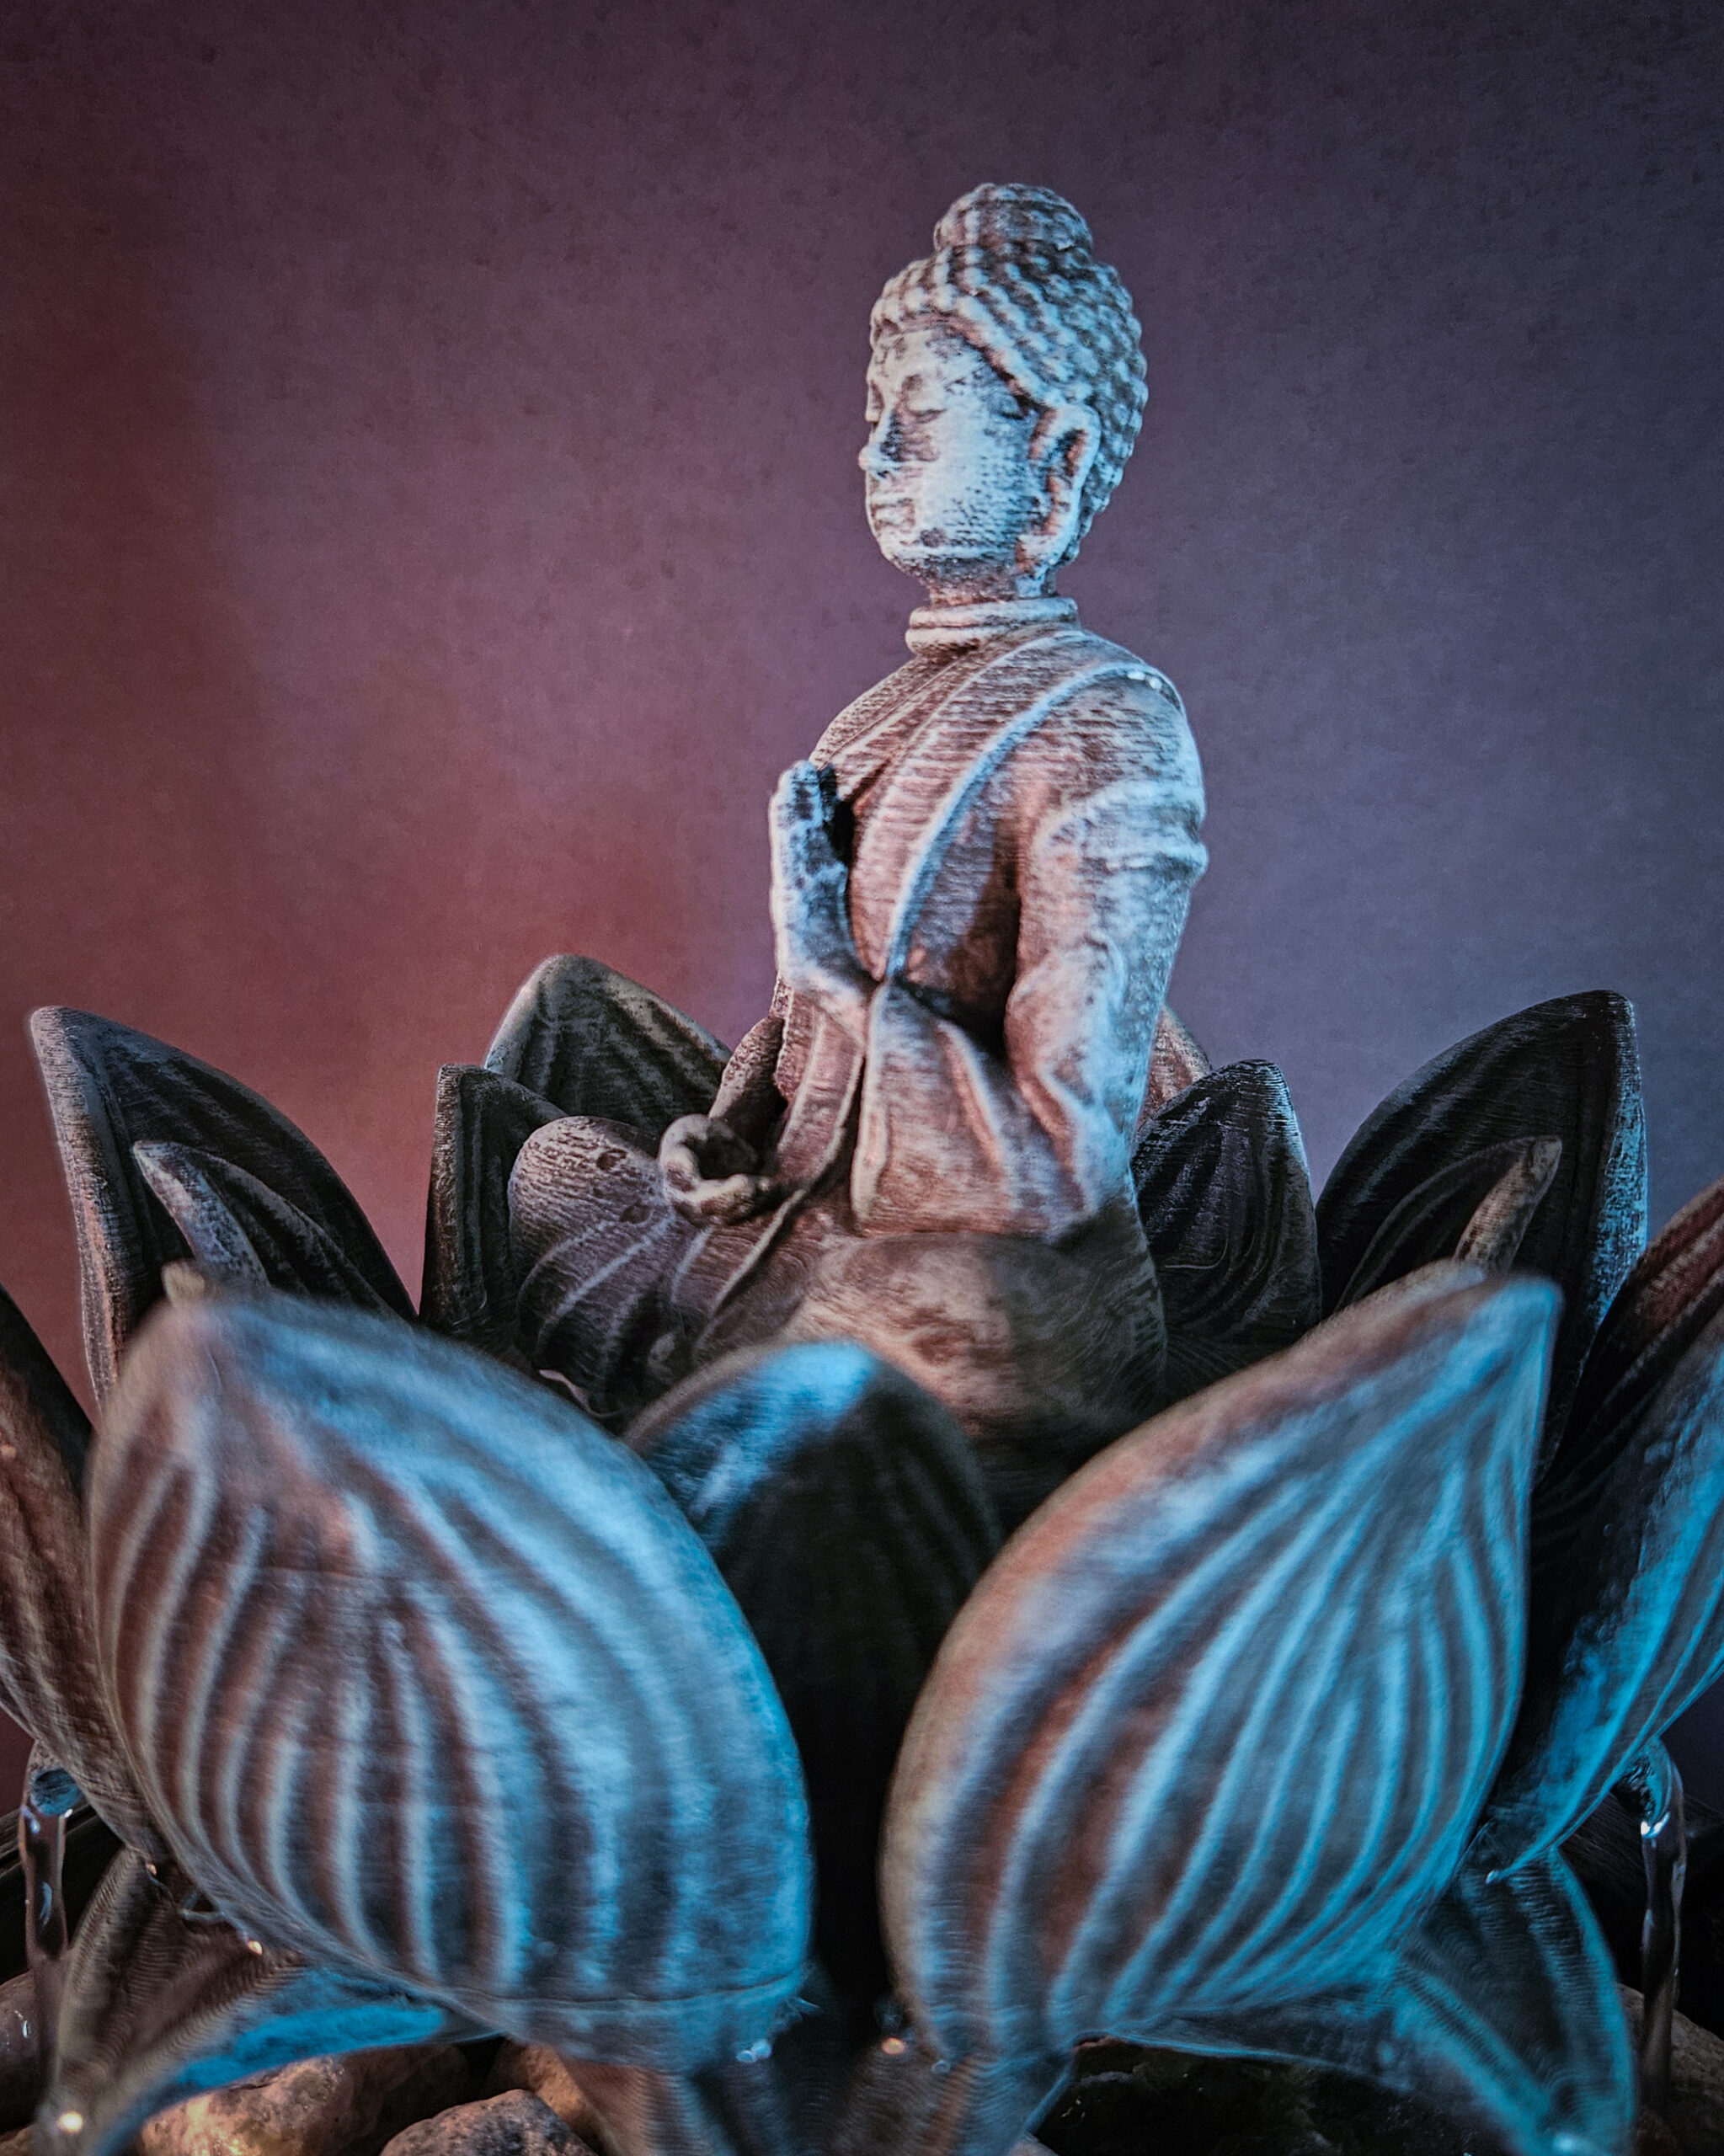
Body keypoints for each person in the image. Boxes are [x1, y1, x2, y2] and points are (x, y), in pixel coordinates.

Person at [509, 184, 1207, 1519]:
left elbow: (1057, 1166)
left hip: (994, 1271)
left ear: (1055, 461)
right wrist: (729, 1129)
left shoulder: (1110, 724)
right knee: (552, 1177)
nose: (874, 452)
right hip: (816, 1219)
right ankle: (732, 1414)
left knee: (952, 1329)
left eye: (919, 420)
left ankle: (725, 1446)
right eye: (871, 415)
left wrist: (835, 976)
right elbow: (794, 1032)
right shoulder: (871, 718)